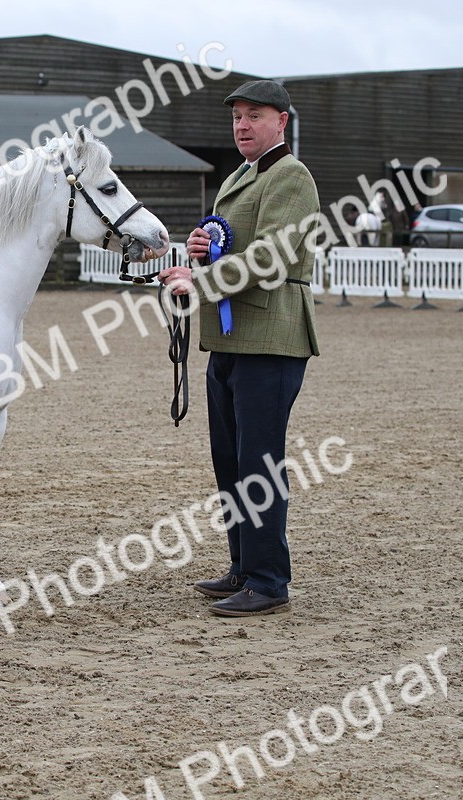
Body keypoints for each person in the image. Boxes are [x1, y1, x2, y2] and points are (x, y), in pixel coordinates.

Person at [158, 79, 320, 617]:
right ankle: (244, 566)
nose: (243, 126)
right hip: (229, 338)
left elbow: (271, 257)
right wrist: (198, 255)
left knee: (259, 462)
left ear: (282, 121)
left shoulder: (290, 176)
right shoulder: (241, 176)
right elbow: (237, 248)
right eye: (237, 118)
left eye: (254, 116)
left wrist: (198, 284)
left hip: (271, 339)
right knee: (230, 460)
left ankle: (270, 579)